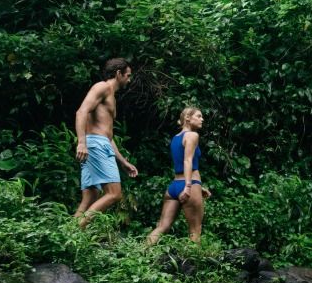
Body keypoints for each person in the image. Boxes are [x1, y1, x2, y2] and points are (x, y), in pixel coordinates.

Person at [73, 58, 139, 226]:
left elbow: (107, 136)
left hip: (99, 143)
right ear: (118, 74)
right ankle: (76, 232)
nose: (129, 80)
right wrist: (82, 143)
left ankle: (68, 237)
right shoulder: (102, 87)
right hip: (95, 145)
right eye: (128, 75)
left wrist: (122, 162)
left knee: (91, 196)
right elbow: (81, 112)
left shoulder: (111, 95)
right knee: (114, 194)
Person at [145, 106, 210, 244]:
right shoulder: (192, 135)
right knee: (195, 230)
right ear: (187, 118)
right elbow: (187, 161)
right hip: (189, 185)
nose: (202, 119)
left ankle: (139, 255)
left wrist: (198, 187)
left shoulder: (175, 138)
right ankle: (194, 265)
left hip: (174, 187)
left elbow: (180, 163)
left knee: (162, 227)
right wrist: (189, 186)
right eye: (198, 116)